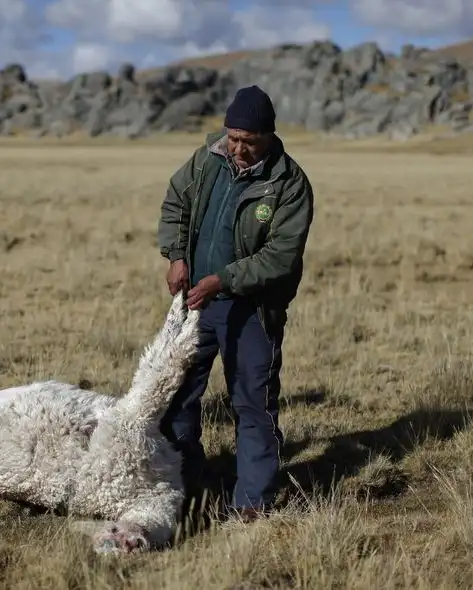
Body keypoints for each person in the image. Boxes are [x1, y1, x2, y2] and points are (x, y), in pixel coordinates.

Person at [156, 85, 315, 521]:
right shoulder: (207, 159)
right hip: (196, 304)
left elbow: (280, 256)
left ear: (269, 136)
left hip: (251, 311)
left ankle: (252, 503)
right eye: (234, 138)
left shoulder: (289, 184)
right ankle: (184, 486)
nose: (239, 149)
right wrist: (176, 256)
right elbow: (176, 203)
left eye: (249, 141)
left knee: (252, 403)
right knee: (177, 394)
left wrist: (222, 280)